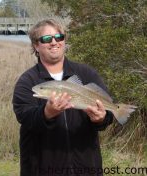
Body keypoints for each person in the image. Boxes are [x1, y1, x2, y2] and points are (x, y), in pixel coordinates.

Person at [12, 19, 114, 176]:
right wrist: (46, 114)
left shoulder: (87, 73)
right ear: (36, 46)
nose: (54, 42)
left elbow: (107, 117)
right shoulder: (27, 82)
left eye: (59, 37)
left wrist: (101, 118)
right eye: (46, 39)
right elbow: (25, 117)